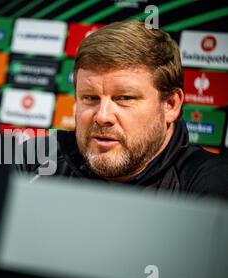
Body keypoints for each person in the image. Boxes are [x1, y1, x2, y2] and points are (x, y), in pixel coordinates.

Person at [18, 20, 228, 199]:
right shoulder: (34, 163)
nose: (102, 116)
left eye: (124, 98)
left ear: (171, 105)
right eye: (90, 98)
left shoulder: (210, 185)